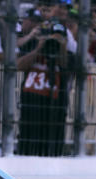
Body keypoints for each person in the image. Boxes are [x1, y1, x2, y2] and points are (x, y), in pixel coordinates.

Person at [16, 22, 71, 157]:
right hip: (31, 104)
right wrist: (38, 48)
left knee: (51, 145)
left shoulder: (67, 54)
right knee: (27, 141)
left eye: (59, 37)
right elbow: (19, 65)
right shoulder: (33, 47)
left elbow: (65, 66)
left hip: (54, 107)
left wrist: (61, 47)